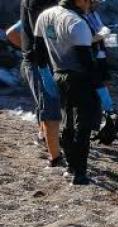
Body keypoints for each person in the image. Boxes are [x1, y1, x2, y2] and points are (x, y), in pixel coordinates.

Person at [33, 0, 112, 186]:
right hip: (80, 79)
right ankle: (80, 174)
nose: (90, 5)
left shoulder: (45, 16)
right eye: (90, 1)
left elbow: (39, 51)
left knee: (67, 123)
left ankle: (70, 167)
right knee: (83, 127)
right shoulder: (77, 23)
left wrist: (46, 75)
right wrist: (103, 92)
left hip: (58, 75)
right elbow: (87, 64)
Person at [20, 0, 63, 170]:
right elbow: (44, 34)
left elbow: (14, 32)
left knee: (45, 105)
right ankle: (55, 158)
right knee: (50, 110)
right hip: (42, 62)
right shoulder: (39, 2)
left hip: (37, 60)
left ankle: (43, 137)